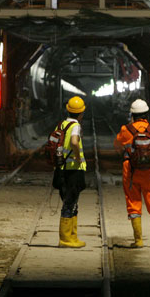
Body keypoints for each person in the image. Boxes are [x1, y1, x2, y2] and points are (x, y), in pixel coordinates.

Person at [113, 99, 150, 248]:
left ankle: (138, 240)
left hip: (131, 172)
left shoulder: (126, 129)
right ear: (146, 115)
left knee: (134, 204)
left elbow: (117, 146)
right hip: (149, 172)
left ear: (132, 115)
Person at [57, 96, 87, 248]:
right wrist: (77, 156)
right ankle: (65, 239)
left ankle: (73, 237)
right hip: (73, 169)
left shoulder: (62, 124)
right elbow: (74, 141)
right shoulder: (75, 126)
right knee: (70, 203)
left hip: (62, 169)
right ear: (81, 113)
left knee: (71, 202)